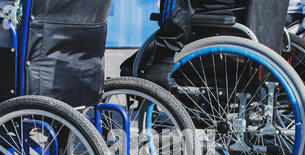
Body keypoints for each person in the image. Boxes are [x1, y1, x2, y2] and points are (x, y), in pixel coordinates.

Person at [122, 0, 290, 90]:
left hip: (213, 51)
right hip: (253, 51)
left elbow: (174, 17)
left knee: (132, 68)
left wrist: (164, 55)